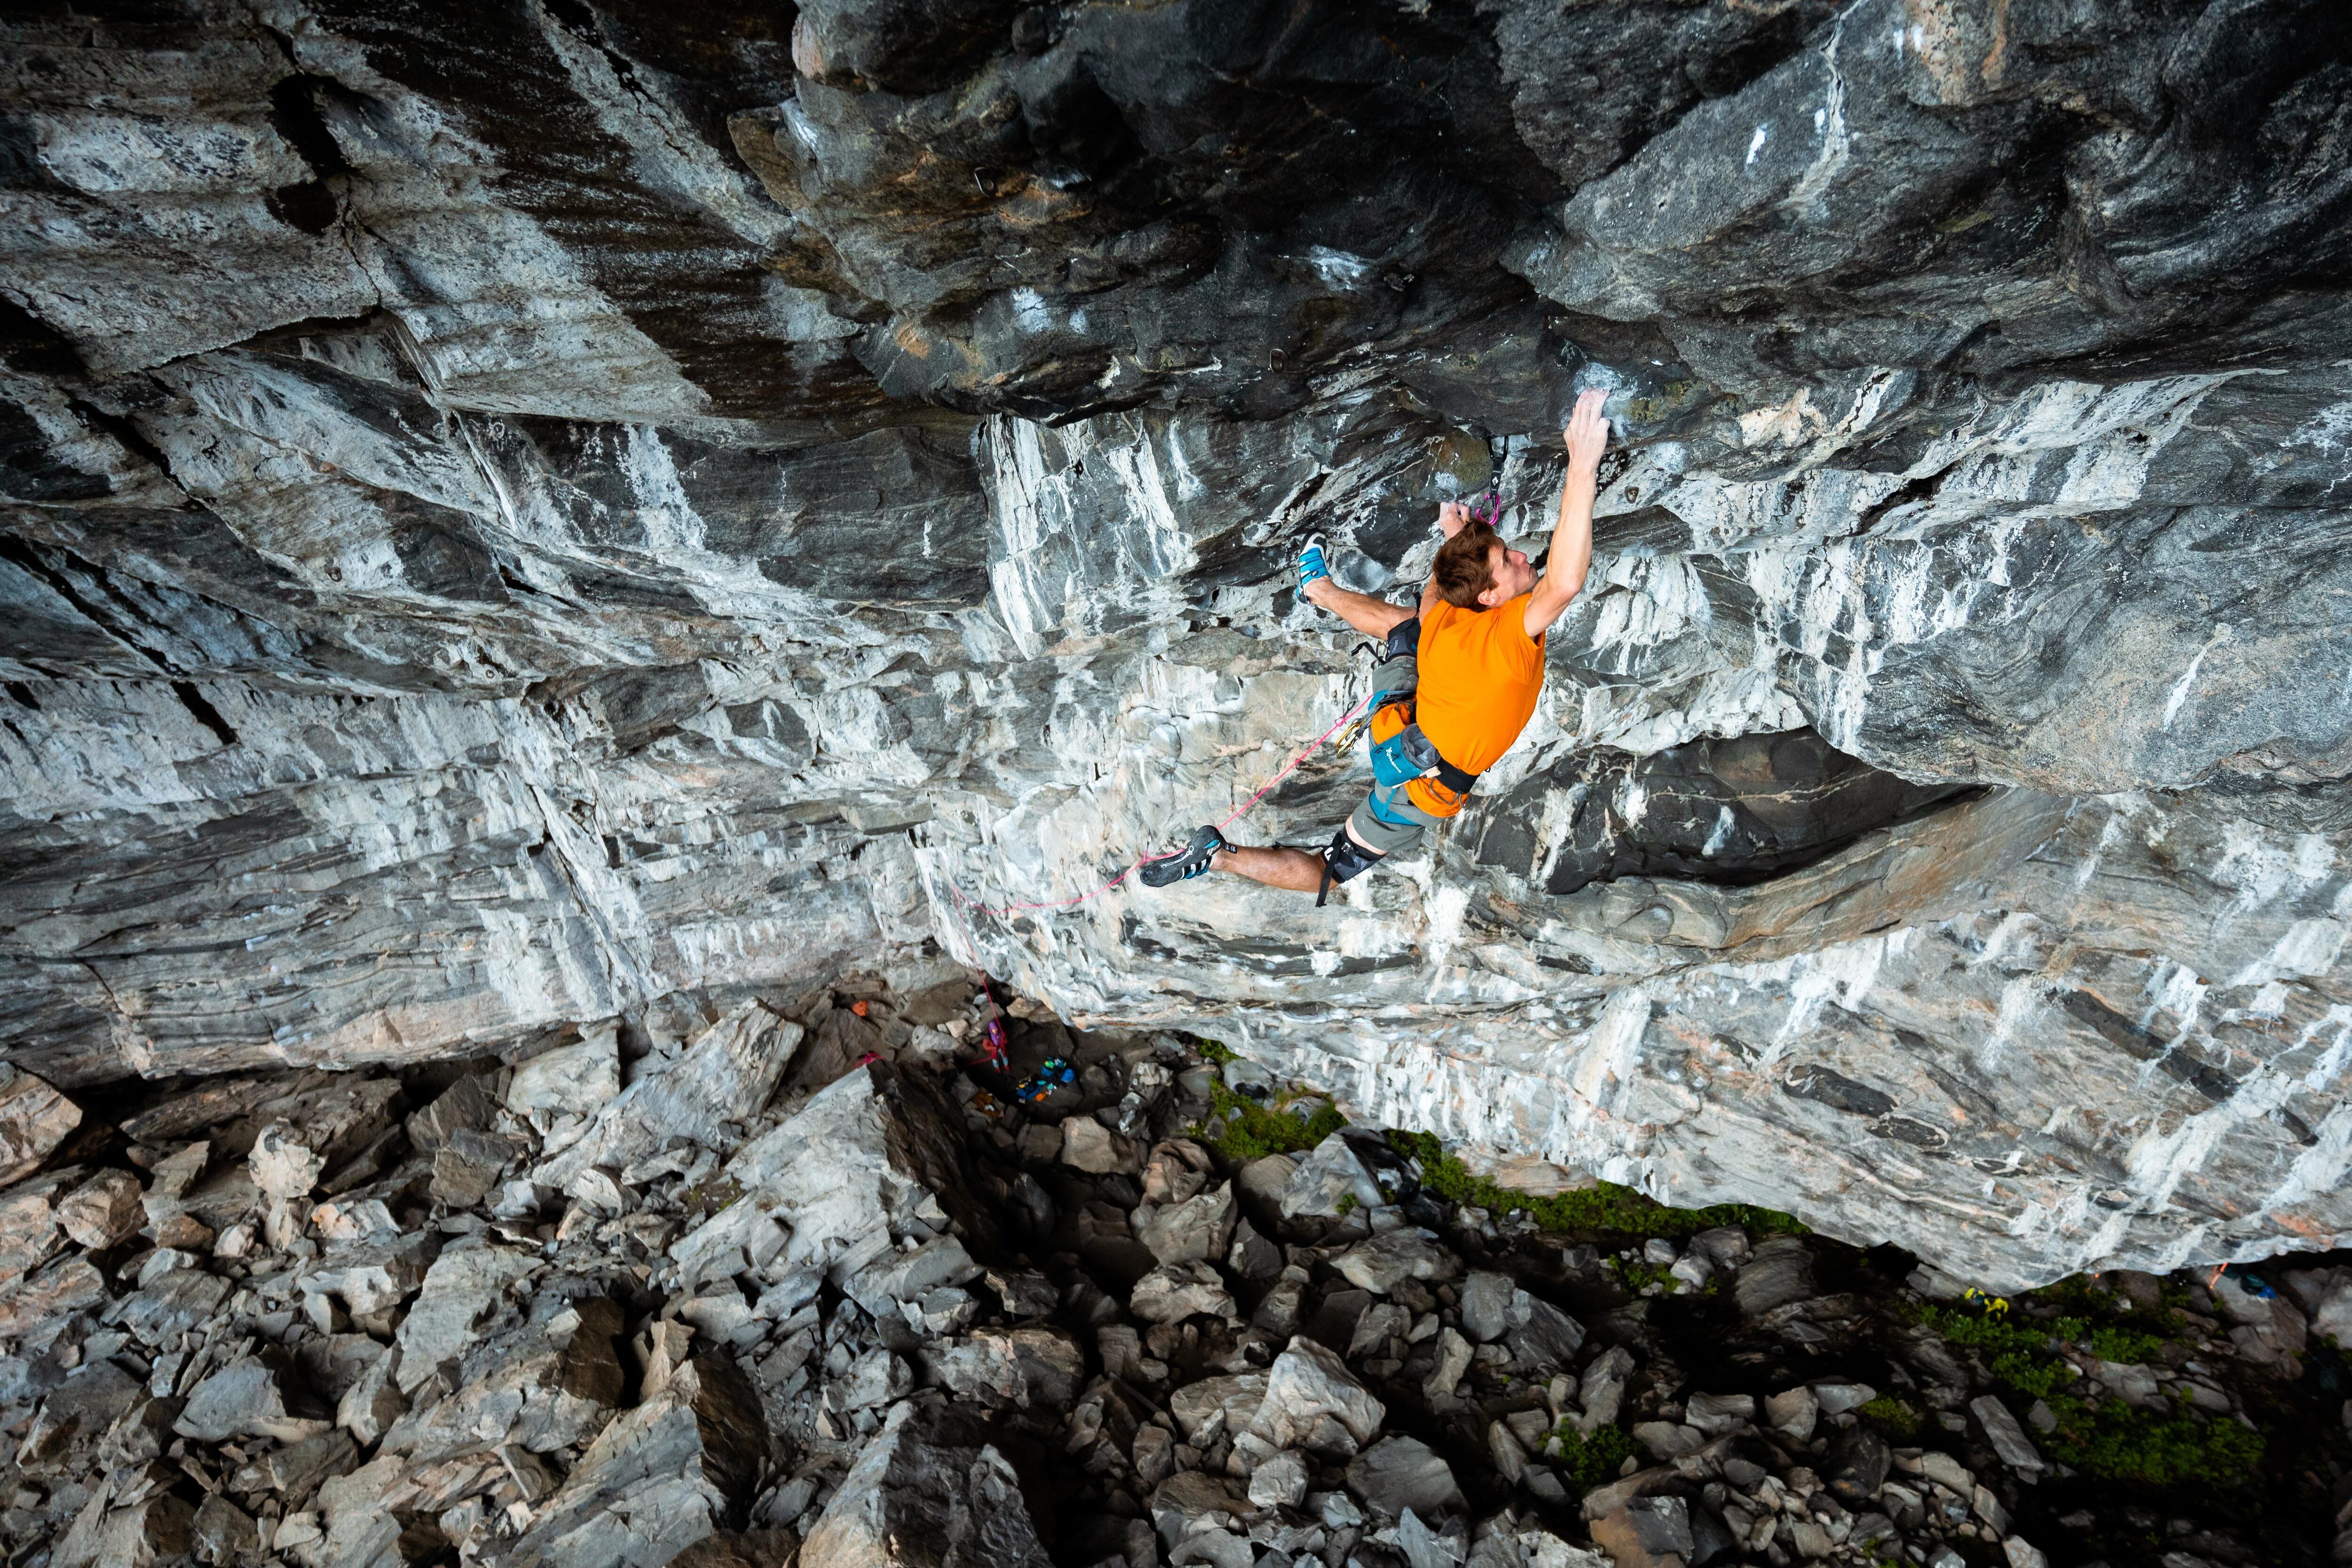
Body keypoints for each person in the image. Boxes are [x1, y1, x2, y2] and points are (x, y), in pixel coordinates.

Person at [1142, 388, 1612, 898]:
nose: (1524, 557)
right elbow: (1563, 582)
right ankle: (1219, 858)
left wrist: (1453, 538)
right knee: (1334, 867)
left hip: (1406, 729)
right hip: (1416, 779)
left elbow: (1435, 592)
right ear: (1490, 597)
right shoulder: (1504, 638)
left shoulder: (1445, 620)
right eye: (1509, 560)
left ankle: (1318, 590)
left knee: (1409, 629)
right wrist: (1581, 463)